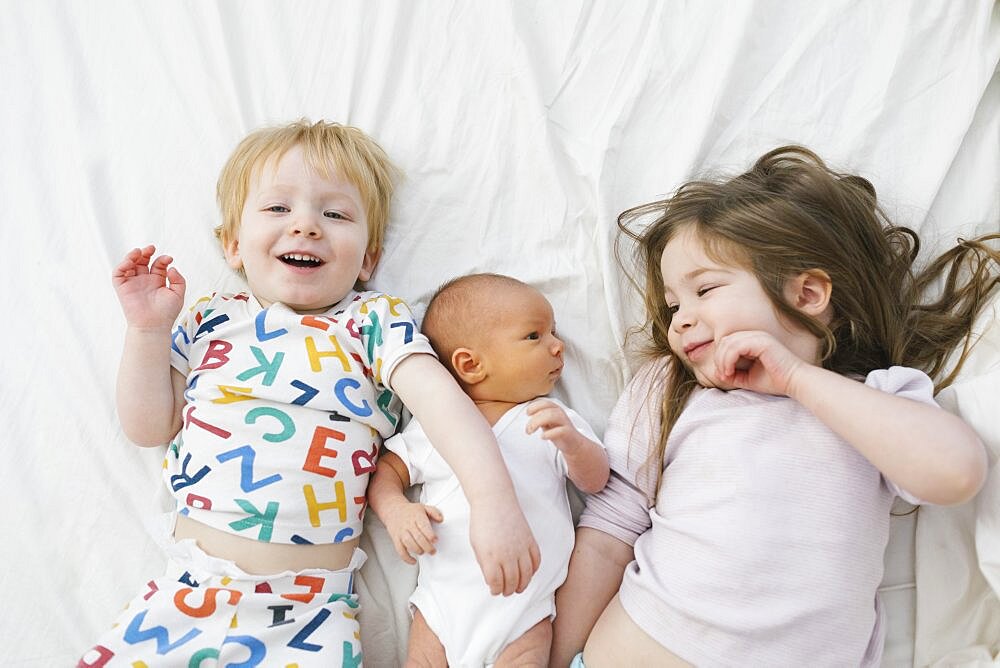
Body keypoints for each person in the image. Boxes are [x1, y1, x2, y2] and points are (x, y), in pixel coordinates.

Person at [78, 119, 541, 667]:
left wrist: (493, 501)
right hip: (188, 597)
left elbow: (445, 406)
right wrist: (148, 333)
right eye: (278, 209)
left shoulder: (372, 323)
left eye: (336, 214)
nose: (306, 226)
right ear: (232, 245)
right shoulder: (210, 320)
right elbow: (148, 427)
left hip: (306, 617)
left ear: (367, 259)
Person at [550, 146, 998, 667]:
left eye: (706, 289)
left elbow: (957, 473)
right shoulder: (673, 388)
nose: (680, 320)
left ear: (807, 294)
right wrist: (553, 658)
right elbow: (611, 527)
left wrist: (798, 380)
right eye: (674, 305)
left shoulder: (874, 400)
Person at [369, 273, 609, 667]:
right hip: (441, 607)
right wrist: (397, 510)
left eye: (554, 332)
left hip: (522, 612)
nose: (558, 345)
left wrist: (573, 444)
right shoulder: (437, 427)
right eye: (535, 336)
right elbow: (385, 473)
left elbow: (596, 481)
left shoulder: (550, 419)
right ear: (471, 364)